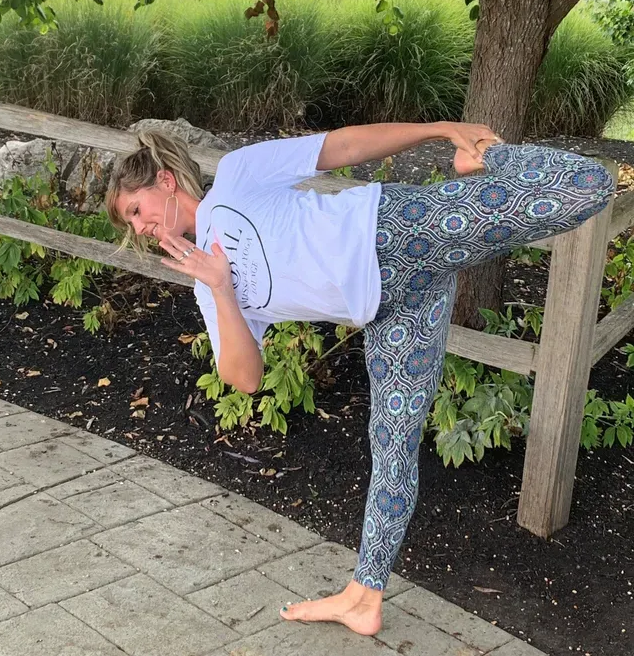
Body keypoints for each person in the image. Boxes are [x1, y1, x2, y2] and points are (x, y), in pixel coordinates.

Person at [105, 121, 614, 637]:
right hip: (391, 309)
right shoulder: (205, 287)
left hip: (395, 230)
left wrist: (439, 131)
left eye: (136, 210)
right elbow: (245, 377)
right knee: (392, 446)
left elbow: (341, 147)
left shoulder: (238, 176)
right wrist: (221, 289)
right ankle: (364, 598)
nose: (139, 228)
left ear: (165, 181)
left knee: (589, 186)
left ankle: (485, 159)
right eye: (131, 222)